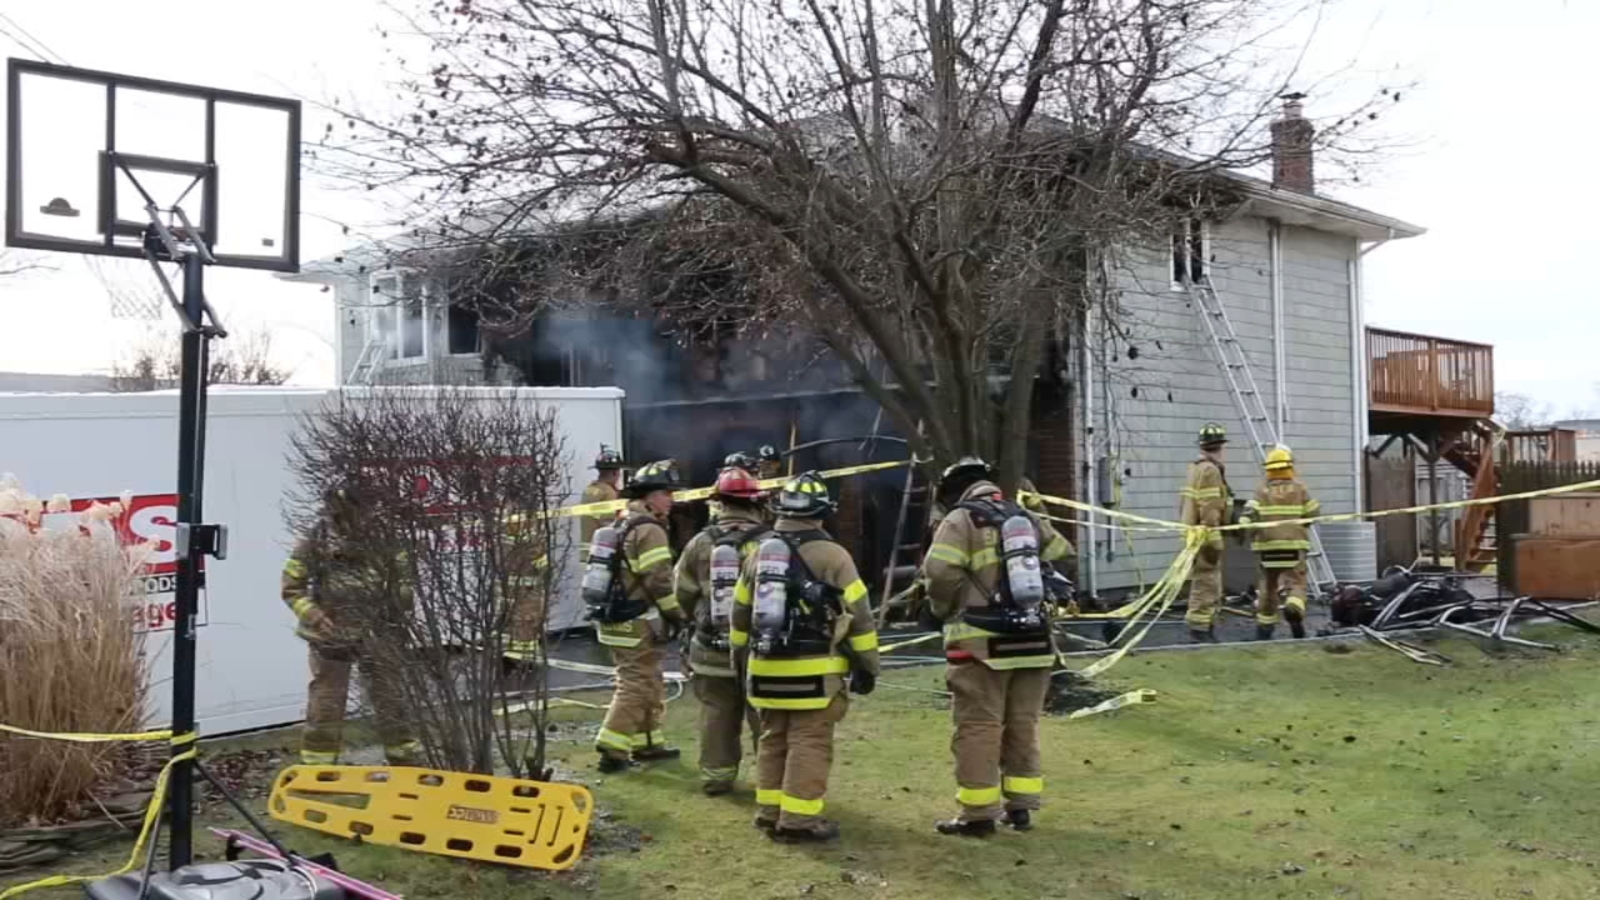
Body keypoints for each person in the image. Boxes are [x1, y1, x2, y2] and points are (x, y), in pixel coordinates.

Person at [730, 472, 880, 843]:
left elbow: (739, 618)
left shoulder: (759, 555)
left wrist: (741, 667)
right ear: (821, 513)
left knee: (772, 737)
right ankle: (798, 822)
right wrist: (868, 667)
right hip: (816, 674)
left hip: (764, 669)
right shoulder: (834, 556)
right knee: (809, 741)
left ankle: (768, 813)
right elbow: (859, 617)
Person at [923, 458, 1058, 837]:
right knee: (1022, 725)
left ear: (954, 491)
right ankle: (1021, 808)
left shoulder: (961, 520)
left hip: (981, 643)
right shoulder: (1025, 515)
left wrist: (943, 608)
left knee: (978, 727)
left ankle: (978, 814)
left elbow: (937, 573)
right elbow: (1061, 552)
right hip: (1035, 639)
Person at [281, 486, 419, 766]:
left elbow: (404, 582)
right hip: (330, 637)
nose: (363, 519)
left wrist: (396, 613)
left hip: (379, 633)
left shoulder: (386, 537)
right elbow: (291, 588)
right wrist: (316, 616)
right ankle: (318, 767)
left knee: (391, 698)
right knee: (327, 703)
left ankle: (404, 762)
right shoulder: (317, 538)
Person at [673, 466, 769, 795]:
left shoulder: (700, 543)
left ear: (719, 503)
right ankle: (770, 783)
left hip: (711, 648)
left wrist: (694, 622)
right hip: (758, 650)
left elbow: (681, 592)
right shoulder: (772, 544)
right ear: (756, 503)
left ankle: (717, 777)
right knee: (763, 716)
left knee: (716, 713)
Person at [588, 460, 688, 771]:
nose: (671, 499)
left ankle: (648, 743)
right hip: (636, 619)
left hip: (616, 617)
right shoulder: (649, 530)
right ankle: (612, 749)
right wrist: (677, 615)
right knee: (634, 683)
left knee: (649, 679)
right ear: (648, 496)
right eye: (666, 493)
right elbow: (659, 579)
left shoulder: (623, 522)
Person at [1239, 445, 1320, 640]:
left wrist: (1244, 529)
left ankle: (1264, 630)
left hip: (1267, 548)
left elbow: (1248, 515)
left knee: (1268, 587)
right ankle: (1293, 606)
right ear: (1289, 467)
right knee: (1297, 583)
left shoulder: (1261, 491)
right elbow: (1313, 513)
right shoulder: (1300, 489)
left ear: (1269, 469)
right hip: (1293, 548)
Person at [1180, 423, 1233, 643]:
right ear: (1220, 446)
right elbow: (1209, 507)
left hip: (1193, 532)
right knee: (1207, 582)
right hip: (1206, 535)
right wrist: (1214, 541)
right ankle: (1200, 631)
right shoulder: (1210, 470)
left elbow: (1185, 502)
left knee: (1207, 581)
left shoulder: (1195, 467)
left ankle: (1205, 626)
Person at [580, 445, 626, 555]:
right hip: (602, 554)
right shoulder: (608, 493)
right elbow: (610, 526)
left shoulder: (590, 490)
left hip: (587, 551)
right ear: (615, 473)